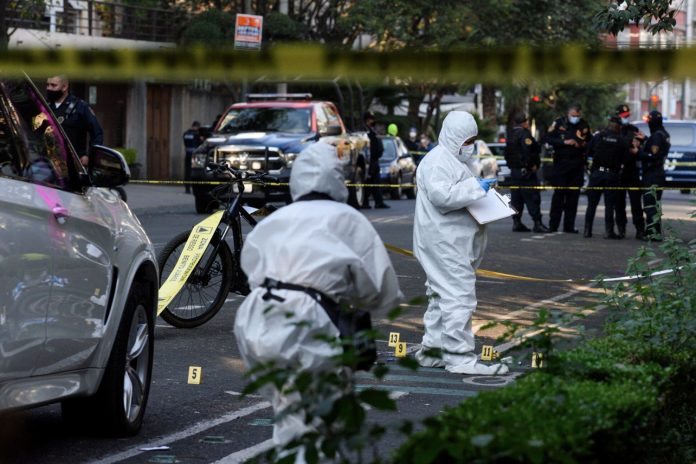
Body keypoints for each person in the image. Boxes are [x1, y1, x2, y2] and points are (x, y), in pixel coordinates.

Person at [234, 141, 402, 455]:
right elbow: (380, 290)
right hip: (310, 320)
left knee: (289, 410)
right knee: (313, 421)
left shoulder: (275, 219)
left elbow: (251, 268)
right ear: (337, 178)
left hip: (257, 318)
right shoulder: (347, 219)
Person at [412, 111, 508, 376]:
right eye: (467, 140)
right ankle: (459, 358)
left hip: (449, 242)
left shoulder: (452, 160)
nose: (471, 146)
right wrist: (477, 188)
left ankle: (433, 351)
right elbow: (443, 197)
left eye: (473, 140)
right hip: (445, 243)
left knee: (440, 296)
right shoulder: (437, 161)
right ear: (454, 137)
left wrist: (484, 194)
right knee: (458, 297)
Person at [545, 104, 591, 233]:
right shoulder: (558, 123)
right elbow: (547, 138)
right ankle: (553, 225)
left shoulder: (584, 124)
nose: (575, 118)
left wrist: (580, 144)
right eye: (573, 115)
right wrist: (564, 142)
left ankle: (569, 226)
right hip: (561, 164)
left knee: (573, 197)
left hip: (577, 164)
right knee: (558, 196)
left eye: (577, 115)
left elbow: (590, 141)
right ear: (568, 114)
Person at [583, 116, 632, 238]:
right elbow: (627, 159)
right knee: (609, 204)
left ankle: (587, 230)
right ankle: (609, 231)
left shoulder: (598, 137)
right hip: (612, 175)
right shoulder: (621, 140)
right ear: (618, 127)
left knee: (592, 203)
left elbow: (588, 151)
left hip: (597, 174)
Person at [504, 111, 551, 233]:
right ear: (525, 122)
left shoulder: (511, 134)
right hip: (526, 173)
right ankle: (537, 223)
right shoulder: (524, 135)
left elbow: (508, 154)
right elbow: (528, 152)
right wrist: (532, 165)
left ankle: (517, 222)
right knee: (532, 197)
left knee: (517, 198)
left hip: (514, 171)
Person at [46, 75, 103, 166]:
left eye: (53, 85)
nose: (49, 88)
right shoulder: (45, 106)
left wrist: (89, 157)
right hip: (47, 163)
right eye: (47, 85)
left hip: (74, 164)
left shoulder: (80, 107)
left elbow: (97, 134)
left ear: (64, 87)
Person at [614, 104, 647, 240]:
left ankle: (640, 229)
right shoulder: (613, 130)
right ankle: (621, 229)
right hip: (617, 172)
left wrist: (641, 141)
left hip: (631, 170)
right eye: (623, 116)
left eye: (627, 116)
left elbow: (642, 147)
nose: (626, 118)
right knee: (619, 203)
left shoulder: (634, 130)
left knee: (636, 203)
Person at [639, 110, 670, 241]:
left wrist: (638, 152)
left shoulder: (657, 136)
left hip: (652, 175)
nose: (648, 123)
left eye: (649, 120)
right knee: (655, 205)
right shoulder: (663, 134)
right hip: (658, 174)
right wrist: (646, 139)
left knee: (650, 205)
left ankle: (652, 233)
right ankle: (654, 232)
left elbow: (654, 156)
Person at [362, 111, 390, 209]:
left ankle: (379, 202)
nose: (372, 121)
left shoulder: (371, 130)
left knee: (376, 181)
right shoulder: (364, 131)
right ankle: (365, 202)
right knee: (368, 182)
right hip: (370, 159)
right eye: (370, 119)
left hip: (375, 160)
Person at [183, 121, 203, 194]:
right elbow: (200, 143)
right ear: (196, 126)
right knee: (196, 171)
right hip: (195, 156)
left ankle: (187, 188)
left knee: (187, 171)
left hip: (187, 154)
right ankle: (196, 188)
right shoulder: (196, 134)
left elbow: (185, 143)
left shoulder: (185, 133)